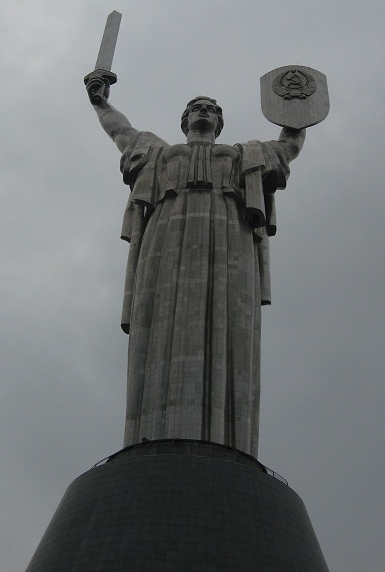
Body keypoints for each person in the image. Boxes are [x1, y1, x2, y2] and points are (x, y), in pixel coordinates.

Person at [85, 73, 305, 456]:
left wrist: (298, 113)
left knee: (229, 318)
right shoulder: (159, 152)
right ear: (184, 121)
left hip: (229, 232)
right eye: (195, 108)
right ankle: (151, 434)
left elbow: (287, 147)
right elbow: (121, 132)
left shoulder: (243, 154)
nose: (203, 111)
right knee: (160, 316)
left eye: (211, 109)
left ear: (219, 123)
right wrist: (101, 103)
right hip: (167, 232)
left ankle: (225, 441)